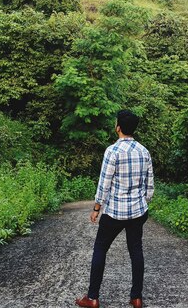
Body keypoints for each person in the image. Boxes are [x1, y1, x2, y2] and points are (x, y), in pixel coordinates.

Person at [75, 110, 155, 308]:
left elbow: (104, 183)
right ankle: (136, 297)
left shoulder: (112, 151)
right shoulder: (144, 151)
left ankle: (93, 298)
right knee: (136, 250)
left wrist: (96, 207)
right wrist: (142, 202)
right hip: (137, 211)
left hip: (114, 212)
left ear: (118, 127)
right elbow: (150, 186)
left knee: (100, 248)